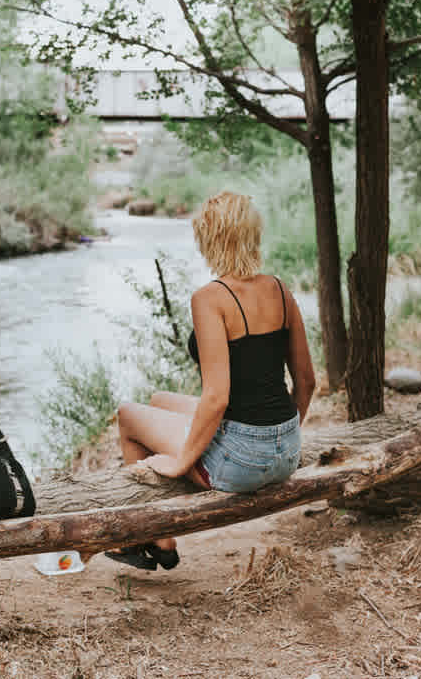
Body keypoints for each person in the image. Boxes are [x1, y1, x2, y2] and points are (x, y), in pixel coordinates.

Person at [105, 191, 316, 572]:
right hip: (287, 451)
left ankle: (151, 537)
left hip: (239, 461)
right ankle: (159, 540)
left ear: (210, 239)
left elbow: (217, 397)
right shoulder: (281, 290)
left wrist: (181, 461)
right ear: (252, 235)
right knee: (159, 399)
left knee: (127, 415)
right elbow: (307, 381)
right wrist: (279, 439)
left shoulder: (210, 298)